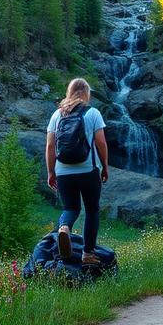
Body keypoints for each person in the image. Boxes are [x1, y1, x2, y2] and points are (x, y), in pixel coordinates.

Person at [46, 78, 109, 266]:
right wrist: (105, 166)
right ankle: (88, 254)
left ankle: (64, 227)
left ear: (69, 92)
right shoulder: (93, 113)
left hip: (63, 172)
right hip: (88, 170)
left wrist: (51, 172)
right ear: (86, 94)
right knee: (92, 209)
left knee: (70, 208)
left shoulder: (57, 115)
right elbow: (101, 143)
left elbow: (50, 146)